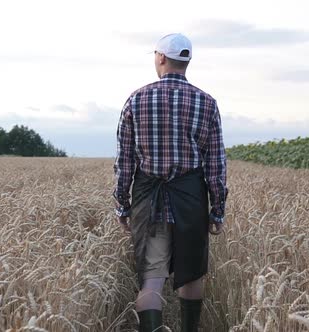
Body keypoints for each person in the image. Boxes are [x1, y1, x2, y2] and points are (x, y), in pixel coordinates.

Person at [113, 33, 228, 332]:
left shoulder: (136, 99)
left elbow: (124, 162)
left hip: (148, 200)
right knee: (191, 276)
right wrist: (217, 210)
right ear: (186, 62)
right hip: (190, 200)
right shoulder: (207, 103)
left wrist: (123, 206)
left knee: (151, 279)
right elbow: (216, 165)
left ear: (161, 58)